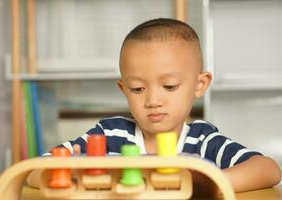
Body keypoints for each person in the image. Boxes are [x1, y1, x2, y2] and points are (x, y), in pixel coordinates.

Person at [27, 18, 281, 195]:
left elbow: (268, 170)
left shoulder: (203, 141)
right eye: (137, 89)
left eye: (169, 86)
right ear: (123, 89)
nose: (152, 101)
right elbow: (34, 171)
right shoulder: (108, 136)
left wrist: (209, 183)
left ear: (199, 84)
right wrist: (84, 180)